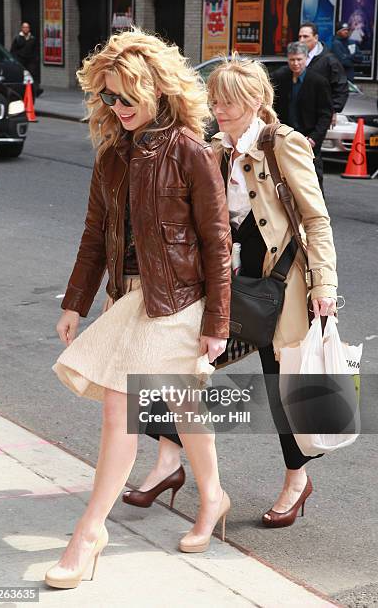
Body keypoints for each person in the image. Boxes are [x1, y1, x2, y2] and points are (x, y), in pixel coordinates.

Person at [44, 28, 232, 590]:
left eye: (127, 97)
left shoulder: (190, 151)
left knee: (120, 411)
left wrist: (217, 324)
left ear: (157, 91)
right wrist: (76, 302)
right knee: (184, 405)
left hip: (178, 302)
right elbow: (94, 237)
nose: (117, 108)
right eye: (108, 97)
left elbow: (217, 242)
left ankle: (88, 532)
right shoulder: (112, 158)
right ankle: (214, 495)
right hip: (129, 298)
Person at [124, 55, 338, 530]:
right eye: (216, 100)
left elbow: (316, 219)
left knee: (283, 389)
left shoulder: (284, 145)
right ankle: (168, 462)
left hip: (281, 288)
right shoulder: (215, 148)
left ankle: (295, 480)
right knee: (179, 366)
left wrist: (324, 283)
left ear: (257, 102)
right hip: (233, 283)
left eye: (230, 102)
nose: (219, 109)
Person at [272, 42, 333, 194]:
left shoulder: (318, 81)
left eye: (299, 59)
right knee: (283, 176)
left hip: (309, 138)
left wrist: (314, 138)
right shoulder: (280, 77)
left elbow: (325, 114)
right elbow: (272, 104)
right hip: (285, 136)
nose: (296, 63)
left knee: (312, 179)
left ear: (306, 59)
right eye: (292, 59)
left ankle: (318, 214)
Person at [298, 21, 348, 125]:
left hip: (319, 116)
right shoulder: (296, 58)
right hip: (298, 115)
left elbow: (341, 86)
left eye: (305, 36)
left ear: (315, 38)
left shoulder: (329, 60)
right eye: (300, 37)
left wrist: (333, 110)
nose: (301, 40)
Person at [10, 22, 40, 97]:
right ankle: (21, 90)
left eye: (27, 27)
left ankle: (34, 90)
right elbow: (13, 50)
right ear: (22, 28)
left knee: (32, 74)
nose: (26, 29)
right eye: (24, 27)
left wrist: (35, 59)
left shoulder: (32, 38)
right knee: (21, 75)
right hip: (20, 60)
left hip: (30, 60)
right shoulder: (18, 38)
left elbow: (36, 50)